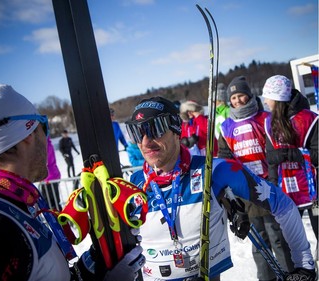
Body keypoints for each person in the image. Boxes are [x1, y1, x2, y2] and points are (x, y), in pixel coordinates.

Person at [0, 84, 144, 281]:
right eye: (43, 127)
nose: (46, 139)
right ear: (27, 135)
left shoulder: (14, 204)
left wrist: (93, 263)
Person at [125, 96, 315, 281]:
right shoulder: (131, 185)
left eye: (155, 129)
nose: (145, 141)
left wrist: (304, 265)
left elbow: (282, 205)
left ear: (176, 130)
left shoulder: (214, 171)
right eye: (137, 132)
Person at [218, 76, 294, 281]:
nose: (237, 100)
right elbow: (225, 161)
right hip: (245, 191)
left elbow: (278, 151)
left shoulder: (265, 118)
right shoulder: (225, 128)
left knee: (278, 238)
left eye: (240, 95)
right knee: (259, 243)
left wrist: (275, 182)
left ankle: (289, 275)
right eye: (233, 97)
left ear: (250, 95)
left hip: (270, 186)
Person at [263, 75, 318, 240]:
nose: (265, 101)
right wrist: (273, 190)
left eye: (268, 97)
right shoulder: (269, 122)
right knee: (290, 240)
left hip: (313, 189)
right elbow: (272, 162)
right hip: (287, 190)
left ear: (277, 98)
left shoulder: (309, 119)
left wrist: (294, 153)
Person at [41, 136, 62, 211]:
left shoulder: (45, 145)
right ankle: (60, 219)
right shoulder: (47, 144)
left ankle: (58, 220)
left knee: (51, 203)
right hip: (52, 176)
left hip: (49, 177)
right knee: (53, 202)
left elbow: (45, 162)